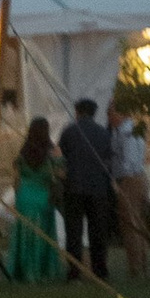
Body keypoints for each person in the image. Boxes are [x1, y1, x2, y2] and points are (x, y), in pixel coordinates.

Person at [60, 98, 115, 281]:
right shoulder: (104, 133)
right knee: (98, 231)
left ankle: (74, 270)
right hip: (98, 188)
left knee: (74, 231)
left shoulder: (69, 132)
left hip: (74, 186)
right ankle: (100, 269)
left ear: (77, 112)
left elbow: (63, 157)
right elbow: (109, 159)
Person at [7, 117, 59, 282]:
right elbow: (59, 175)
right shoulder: (51, 152)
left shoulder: (23, 153)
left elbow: (15, 181)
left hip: (25, 196)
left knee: (24, 234)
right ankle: (40, 270)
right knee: (42, 235)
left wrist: (18, 196)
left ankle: (21, 270)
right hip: (43, 197)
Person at [108, 98, 150, 284]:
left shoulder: (128, 133)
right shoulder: (119, 131)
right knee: (133, 223)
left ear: (121, 113)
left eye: (111, 112)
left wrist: (117, 182)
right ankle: (137, 264)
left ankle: (137, 266)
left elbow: (129, 161)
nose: (109, 116)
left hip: (130, 180)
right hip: (130, 178)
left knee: (131, 224)